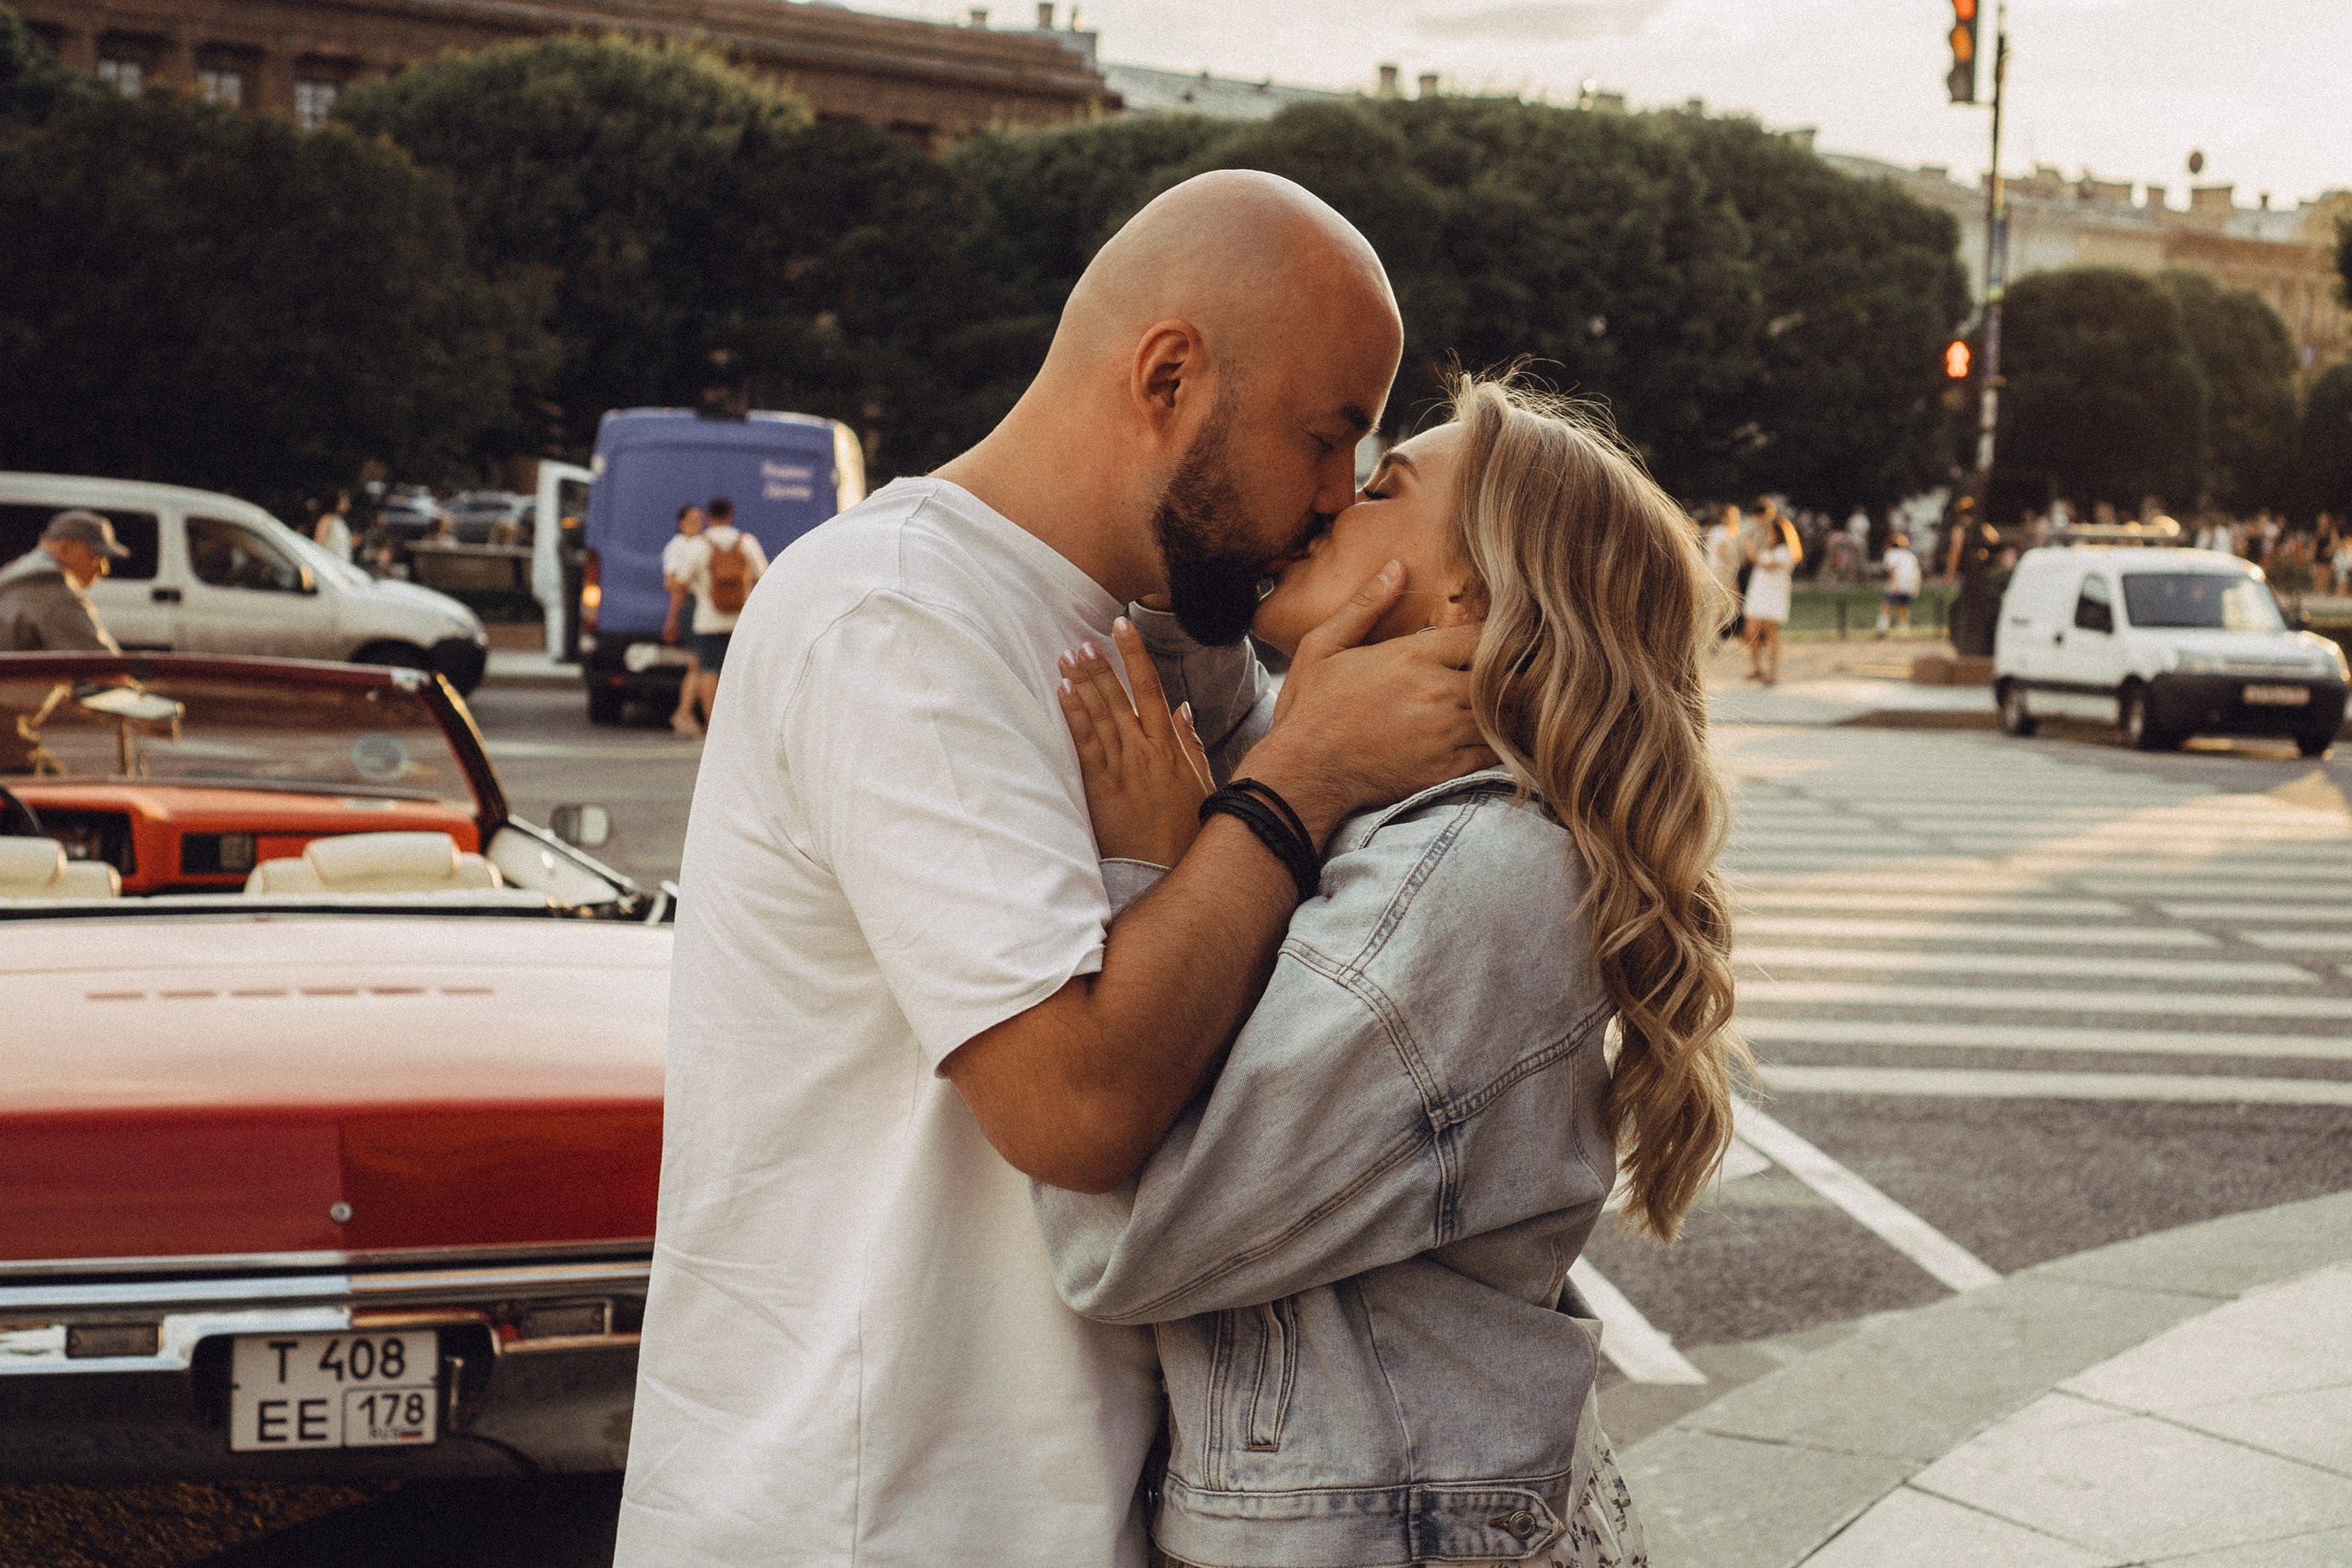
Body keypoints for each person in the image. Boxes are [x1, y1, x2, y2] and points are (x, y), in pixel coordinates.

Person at [616, 171, 1487, 1568]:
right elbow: (1071, 1102)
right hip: (875, 1511)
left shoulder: (1174, 630)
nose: (1336, 497)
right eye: (1328, 439)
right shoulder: (896, 614)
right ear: (1167, 376)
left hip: (1074, 1497)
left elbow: (1280, 980)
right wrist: (1293, 779)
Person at [1035, 376, 1741, 1568]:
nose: (1326, 505)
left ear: (1466, 590)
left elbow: (1135, 1231)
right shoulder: (1400, 813)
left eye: (1380, 487)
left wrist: (1161, 874)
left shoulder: (1473, 875)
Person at [663, 495, 763, 728]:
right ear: (731, 516)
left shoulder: (699, 545)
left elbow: (681, 585)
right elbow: (762, 576)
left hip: (707, 620)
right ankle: (740, 726)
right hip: (740, 621)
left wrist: (672, 618)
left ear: (709, 517)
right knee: (738, 672)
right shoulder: (746, 542)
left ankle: (712, 725)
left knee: (708, 669)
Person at [0, 510, 127, 652]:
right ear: (64, 546)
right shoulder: (53, 589)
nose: (104, 569)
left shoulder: (14, 577)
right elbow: (106, 666)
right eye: (96, 556)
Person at [659, 502, 707, 737]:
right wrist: (672, 619)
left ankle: (685, 712)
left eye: (700, 518)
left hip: (701, 606)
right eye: (692, 519)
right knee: (699, 662)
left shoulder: (702, 543)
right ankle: (684, 712)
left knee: (699, 662)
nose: (697, 523)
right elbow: (673, 585)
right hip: (691, 605)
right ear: (681, 522)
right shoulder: (677, 547)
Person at [1743, 499, 1799, 683]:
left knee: (1770, 634)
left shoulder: (1784, 553)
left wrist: (1750, 549)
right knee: (1751, 630)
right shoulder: (1767, 550)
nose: (1768, 536)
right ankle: (1756, 666)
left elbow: (1765, 565)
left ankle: (1772, 672)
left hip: (1772, 597)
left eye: (1770, 533)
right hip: (1758, 595)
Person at [1702, 502, 1744, 640]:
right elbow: (1722, 550)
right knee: (1726, 606)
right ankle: (1713, 636)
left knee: (1731, 606)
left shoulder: (1720, 531)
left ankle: (1721, 636)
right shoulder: (1721, 531)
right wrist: (1733, 564)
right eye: (1733, 515)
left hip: (1721, 572)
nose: (1736, 518)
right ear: (1723, 518)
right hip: (1721, 572)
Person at [1877, 531, 1921, 637]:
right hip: (1911, 584)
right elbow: (1917, 571)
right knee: (1902, 606)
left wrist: (1893, 585)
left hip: (1898, 583)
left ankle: (1882, 629)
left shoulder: (1891, 554)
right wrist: (1916, 587)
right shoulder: (1910, 555)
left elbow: (1892, 571)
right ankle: (1904, 632)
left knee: (1886, 605)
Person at [311, 491, 354, 560]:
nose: (347, 504)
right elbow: (318, 545)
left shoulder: (341, 522)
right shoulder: (326, 520)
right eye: (344, 501)